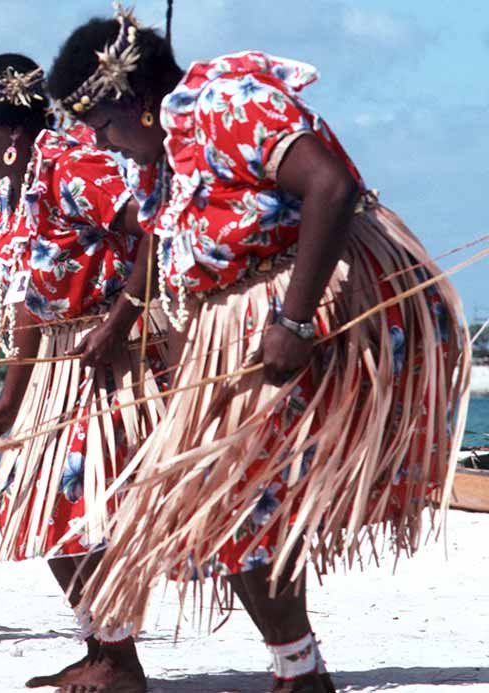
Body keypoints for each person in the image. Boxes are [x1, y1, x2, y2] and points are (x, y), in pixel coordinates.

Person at [47, 7, 469, 692]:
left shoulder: (223, 101)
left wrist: (294, 322)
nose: (105, 144)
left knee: (234, 495)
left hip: (314, 308)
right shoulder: (164, 156)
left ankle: (300, 673)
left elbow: (332, 185)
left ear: (133, 101)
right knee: (227, 502)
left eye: (103, 127)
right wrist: (124, 318)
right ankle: (297, 668)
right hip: (241, 324)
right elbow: (159, 240)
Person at [0, 53, 167, 692]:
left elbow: (156, 226)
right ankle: (102, 646)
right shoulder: (1, 203)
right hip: (57, 368)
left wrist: (121, 321)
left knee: (75, 503)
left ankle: (120, 663)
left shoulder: (75, 167)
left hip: (115, 359)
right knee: (43, 509)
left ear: (14, 130)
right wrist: (11, 401)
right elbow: (26, 303)